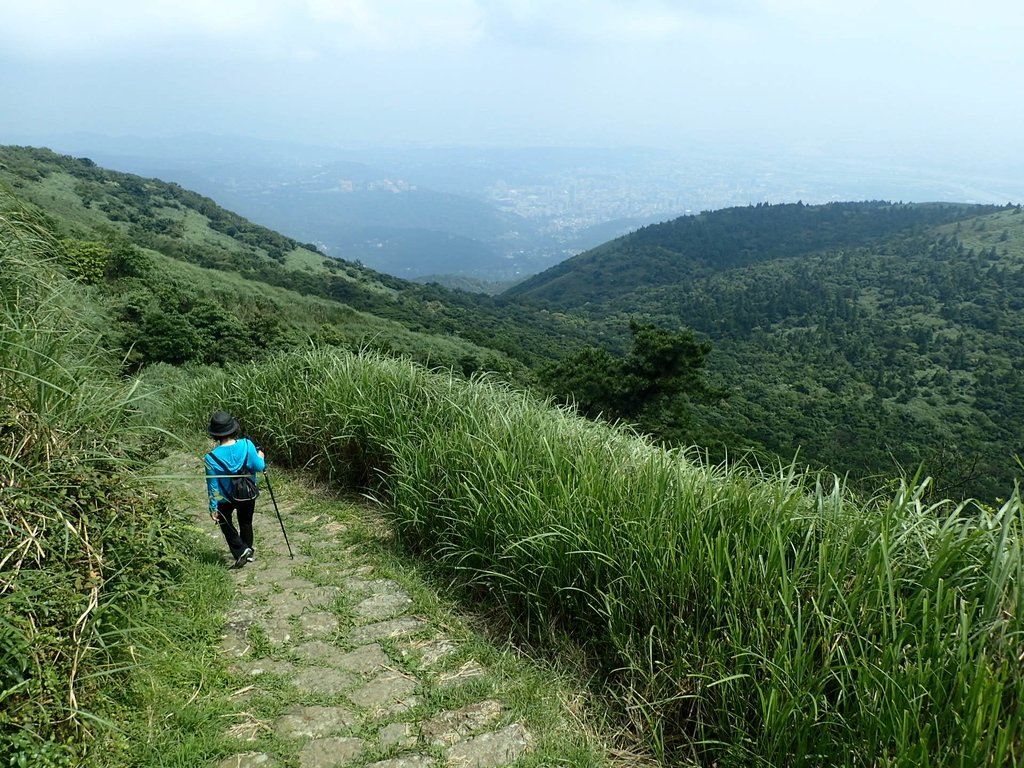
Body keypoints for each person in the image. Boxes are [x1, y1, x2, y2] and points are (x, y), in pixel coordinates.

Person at [204, 410, 266, 568]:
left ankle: (241, 550)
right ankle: (248, 550)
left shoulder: (211, 458)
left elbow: (213, 485)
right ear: (233, 428)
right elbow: (259, 466)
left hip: (225, 497)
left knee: (225, 522)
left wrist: (213, 506)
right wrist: (261, 455)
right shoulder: (247, 445)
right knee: (246, 522)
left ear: (215, 434)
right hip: (247, 492)